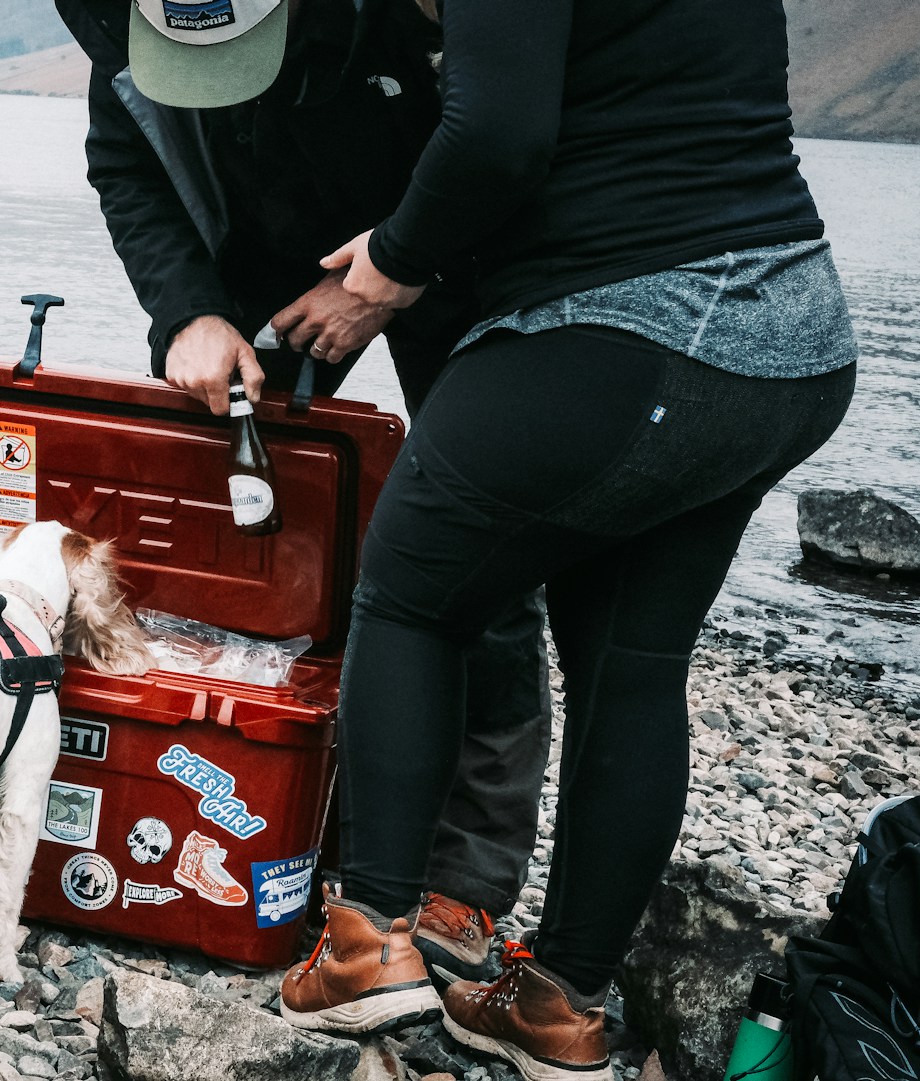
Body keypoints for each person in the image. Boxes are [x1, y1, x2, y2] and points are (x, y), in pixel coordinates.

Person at [271, 0, 859, 1073]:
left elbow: (498, 134)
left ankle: (367, 945)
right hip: (788, 336)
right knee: (634, 664)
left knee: (409, 594)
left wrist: (395, 260)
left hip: (633, 330)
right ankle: (559, 1006)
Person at [55, 0, 549, 983]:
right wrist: (187, 313)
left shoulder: (410, 18)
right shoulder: (115, 20)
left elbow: (502, 140)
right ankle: (244, 810)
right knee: (234, 538)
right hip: (258, 259)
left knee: (476, 554)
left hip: (447, 243)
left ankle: (462, 882)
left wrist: (401, 259)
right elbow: (126, 163)